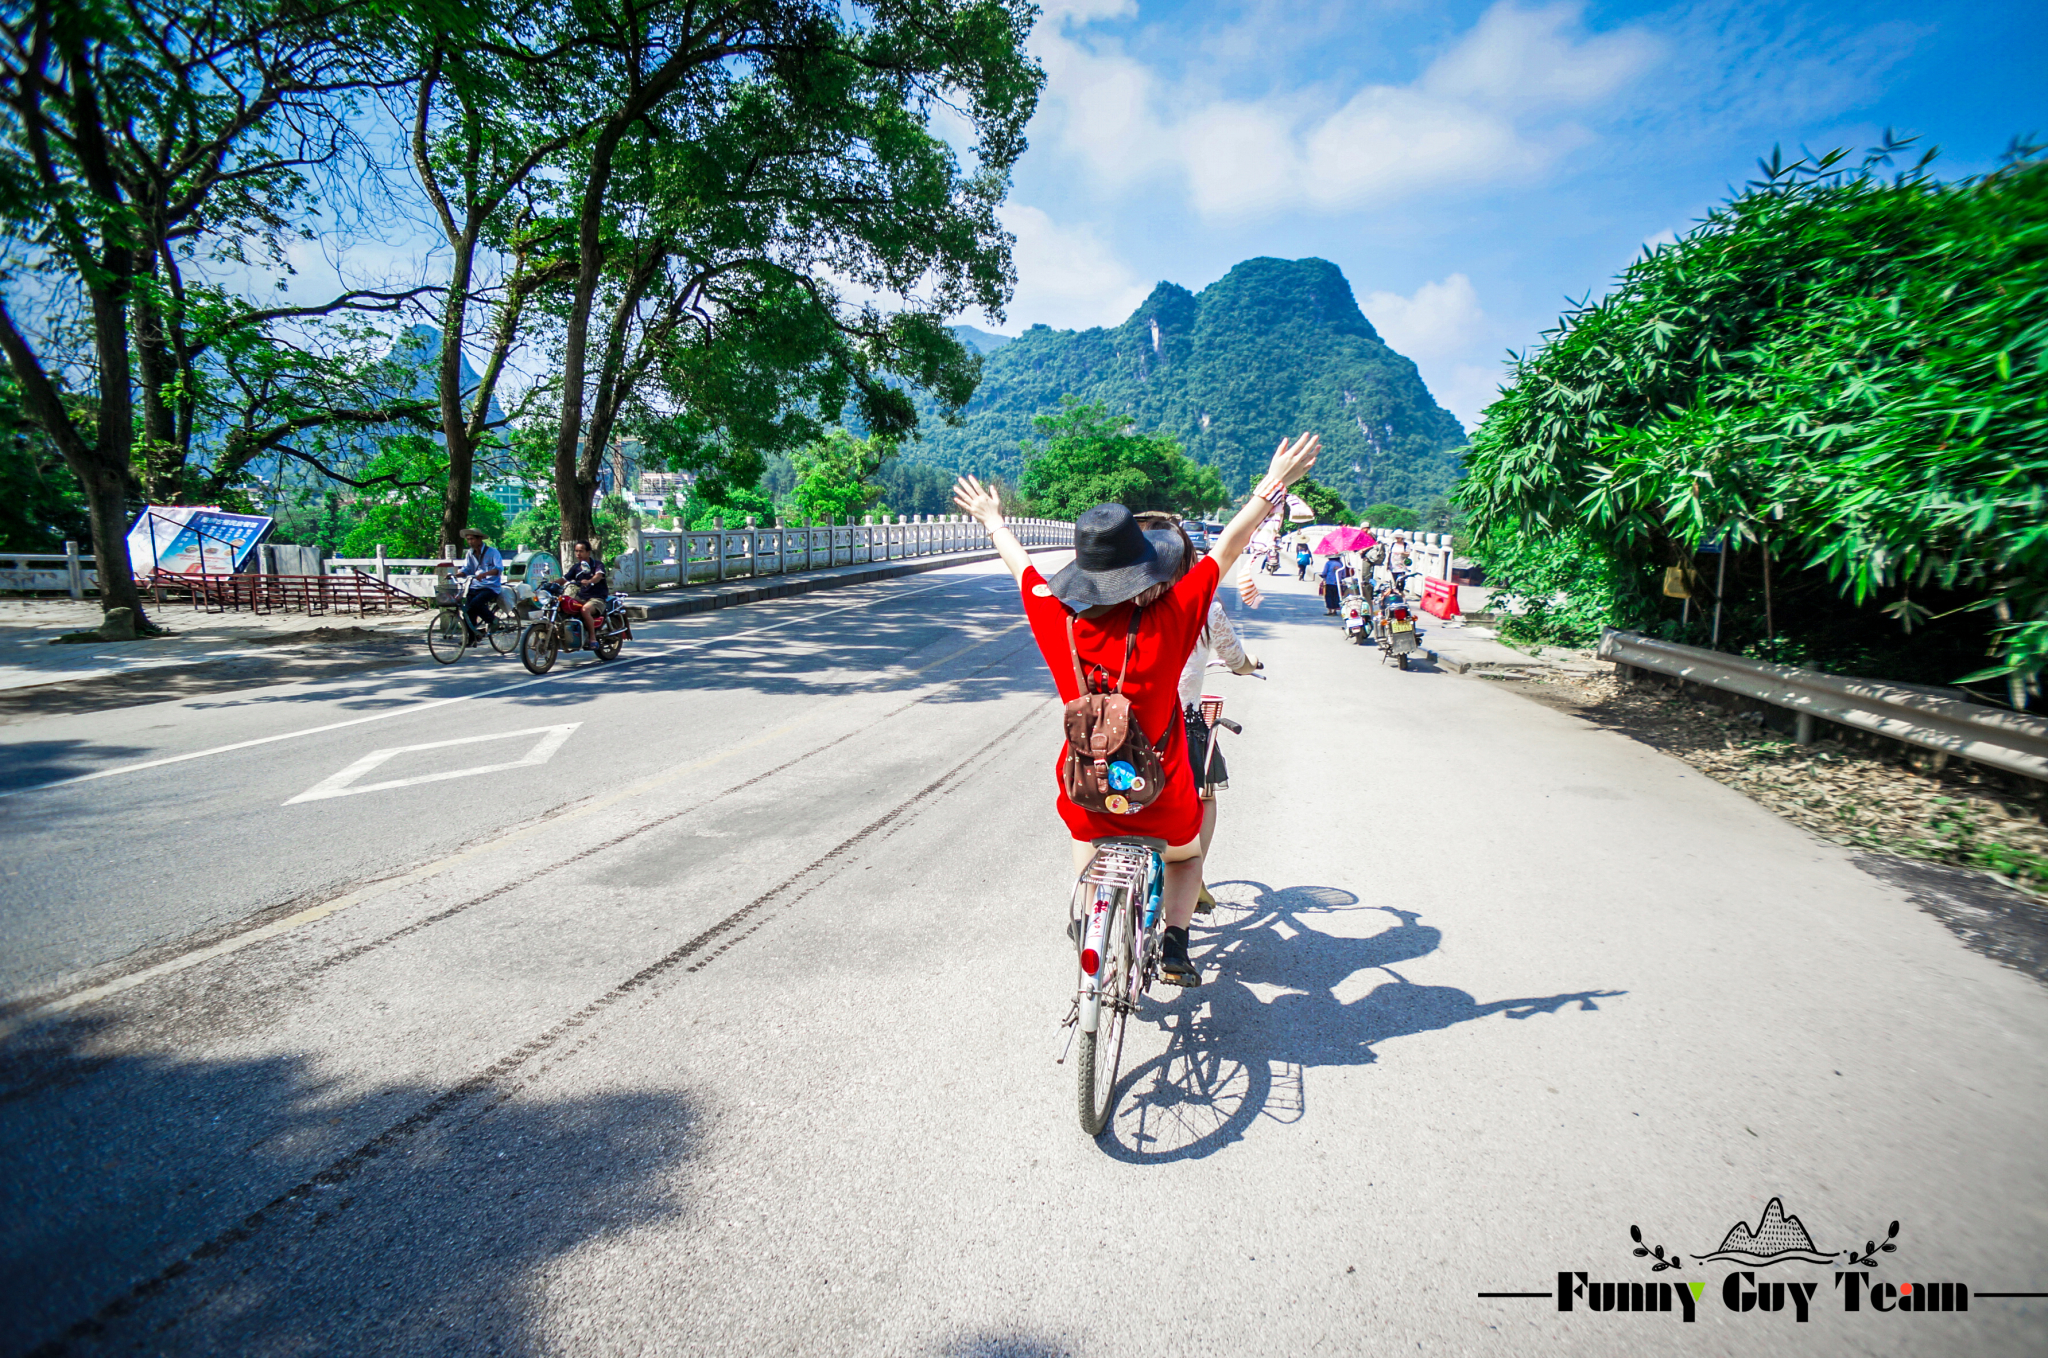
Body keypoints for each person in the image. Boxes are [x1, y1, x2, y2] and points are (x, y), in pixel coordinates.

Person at [954, 432, 1320, 987]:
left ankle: (1087, 918)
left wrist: (992, 518)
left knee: (1083, 831)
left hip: (1087, 790)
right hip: (1160, 791)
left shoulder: (1061, 622)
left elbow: (1021, 567)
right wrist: (1275, 485)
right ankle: (1175, 945)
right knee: (1184, 857)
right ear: (1146, 570)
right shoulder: (1173, 616)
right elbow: (1227, 548)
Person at [453, 529, 507, 636]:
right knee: (468, 611)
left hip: (490, 587)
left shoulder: (493, 552)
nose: (470, 542)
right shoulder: (470, 553)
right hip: (475, 586)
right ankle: (472, 638)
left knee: (476, 603)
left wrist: (484, 574)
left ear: (479, 539)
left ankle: (492, 620)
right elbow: (467, 569)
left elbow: (498, 569)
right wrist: (457, 574)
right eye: (468, 539)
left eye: (472, 539)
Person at [559, 540, 609, 645]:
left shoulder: (597, 565)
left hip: (597, 597)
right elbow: (564, 579)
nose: (578, 554)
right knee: (562, 605)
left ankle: (592, 638)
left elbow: (598, 576)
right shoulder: (576, 567)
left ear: (588, 552)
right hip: (581, 597)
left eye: (581, 551)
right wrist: (549, 584)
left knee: (585, 610)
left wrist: (590, 581)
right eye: (576, 551)